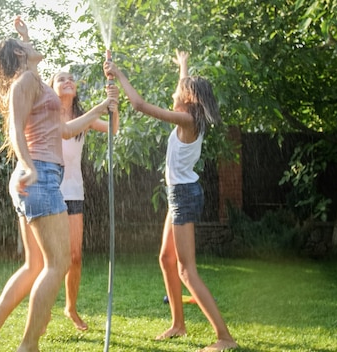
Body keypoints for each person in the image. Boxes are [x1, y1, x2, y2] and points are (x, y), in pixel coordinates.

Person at [0, 17, 117, 352]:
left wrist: (101, 106)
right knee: (59, 263)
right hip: (38, 175)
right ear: (20, 55)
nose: (30, 44)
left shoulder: (34, 80)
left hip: (41, 176)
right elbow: (14, 128)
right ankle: (28, 344)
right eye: (24, 44)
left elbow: (64, 131)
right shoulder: (24, 82)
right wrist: (27, 167)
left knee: (37, 265)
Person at [104, 50, 238, 351]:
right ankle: (178, 324)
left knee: (186, 270)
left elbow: (138, 105)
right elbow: (182, 86)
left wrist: (119, 72)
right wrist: (184, 66)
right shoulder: (189, 115)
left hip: (184, 196)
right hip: (179, 194)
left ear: (188, 98)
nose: (176, 89)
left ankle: (225, 338)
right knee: (166, 259)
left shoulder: (186, 118)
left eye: (181, 87)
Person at [48, 70, 119, 331]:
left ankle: (70, 308)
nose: (68, 81)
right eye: (61, 79)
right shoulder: (48, 115)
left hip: (74, 192)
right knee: (53, 259)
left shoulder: (83, 118)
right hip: (49, 191)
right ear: (52, 87)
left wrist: (114, 102)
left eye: (71, 79)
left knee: (75, 257)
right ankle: (43, 313)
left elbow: (113, 129)